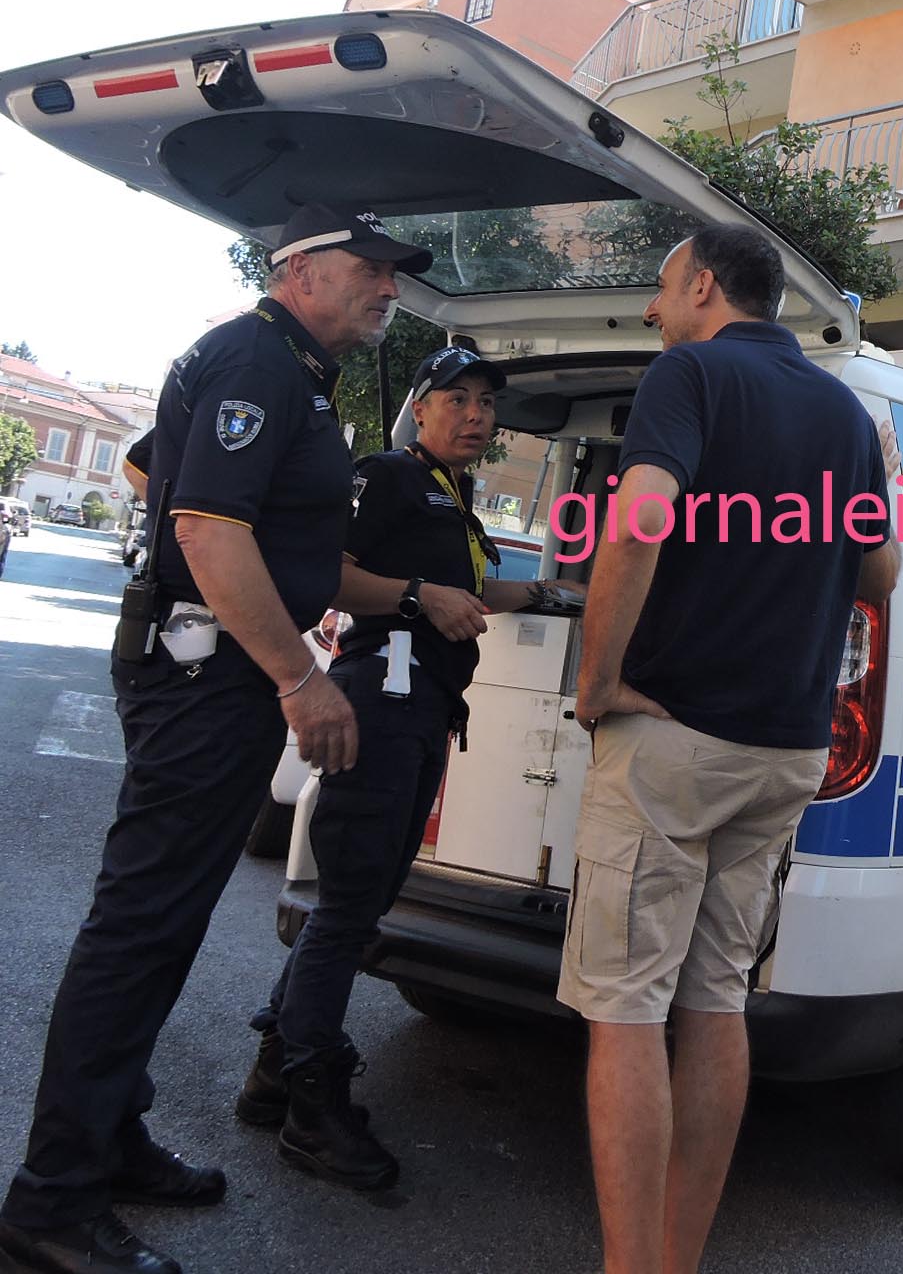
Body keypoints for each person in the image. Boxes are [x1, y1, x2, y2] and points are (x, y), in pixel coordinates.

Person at [0, 205, 431, 1274]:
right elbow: (200, 521)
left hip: (211, 666)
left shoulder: (280, 367)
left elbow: (160, 471)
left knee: (167, 919)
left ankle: (104, 1136)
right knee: (141, 923)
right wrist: (296, 672)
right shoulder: (258, 361)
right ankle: (51, 1199)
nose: (390, 289)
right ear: (304, 272)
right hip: (209, 678)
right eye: (372, 270)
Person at [562, 224, 897, 1274]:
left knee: (624, 1008)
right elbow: (880, 578)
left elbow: (640, 519)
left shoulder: (689, 378)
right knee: (715, 1000)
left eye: (663, 291)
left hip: (675, 741)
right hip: (783, 749)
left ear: (704, 286)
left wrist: (598, 678)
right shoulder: (842, 412)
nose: (655, 312)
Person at [232, 344, 582, 1189]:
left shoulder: (453, 497)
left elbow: (463, 591)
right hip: (379, 706)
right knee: (350, 909)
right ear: (419, 408)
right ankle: (313, 1111)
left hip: (421, 711)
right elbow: (331, 575)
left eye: (486, 404)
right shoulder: (387, 474)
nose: (475, 416)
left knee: (360, 901)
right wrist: (421, 597)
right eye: (456, 399)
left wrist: (551, 593)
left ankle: (276, 1074)